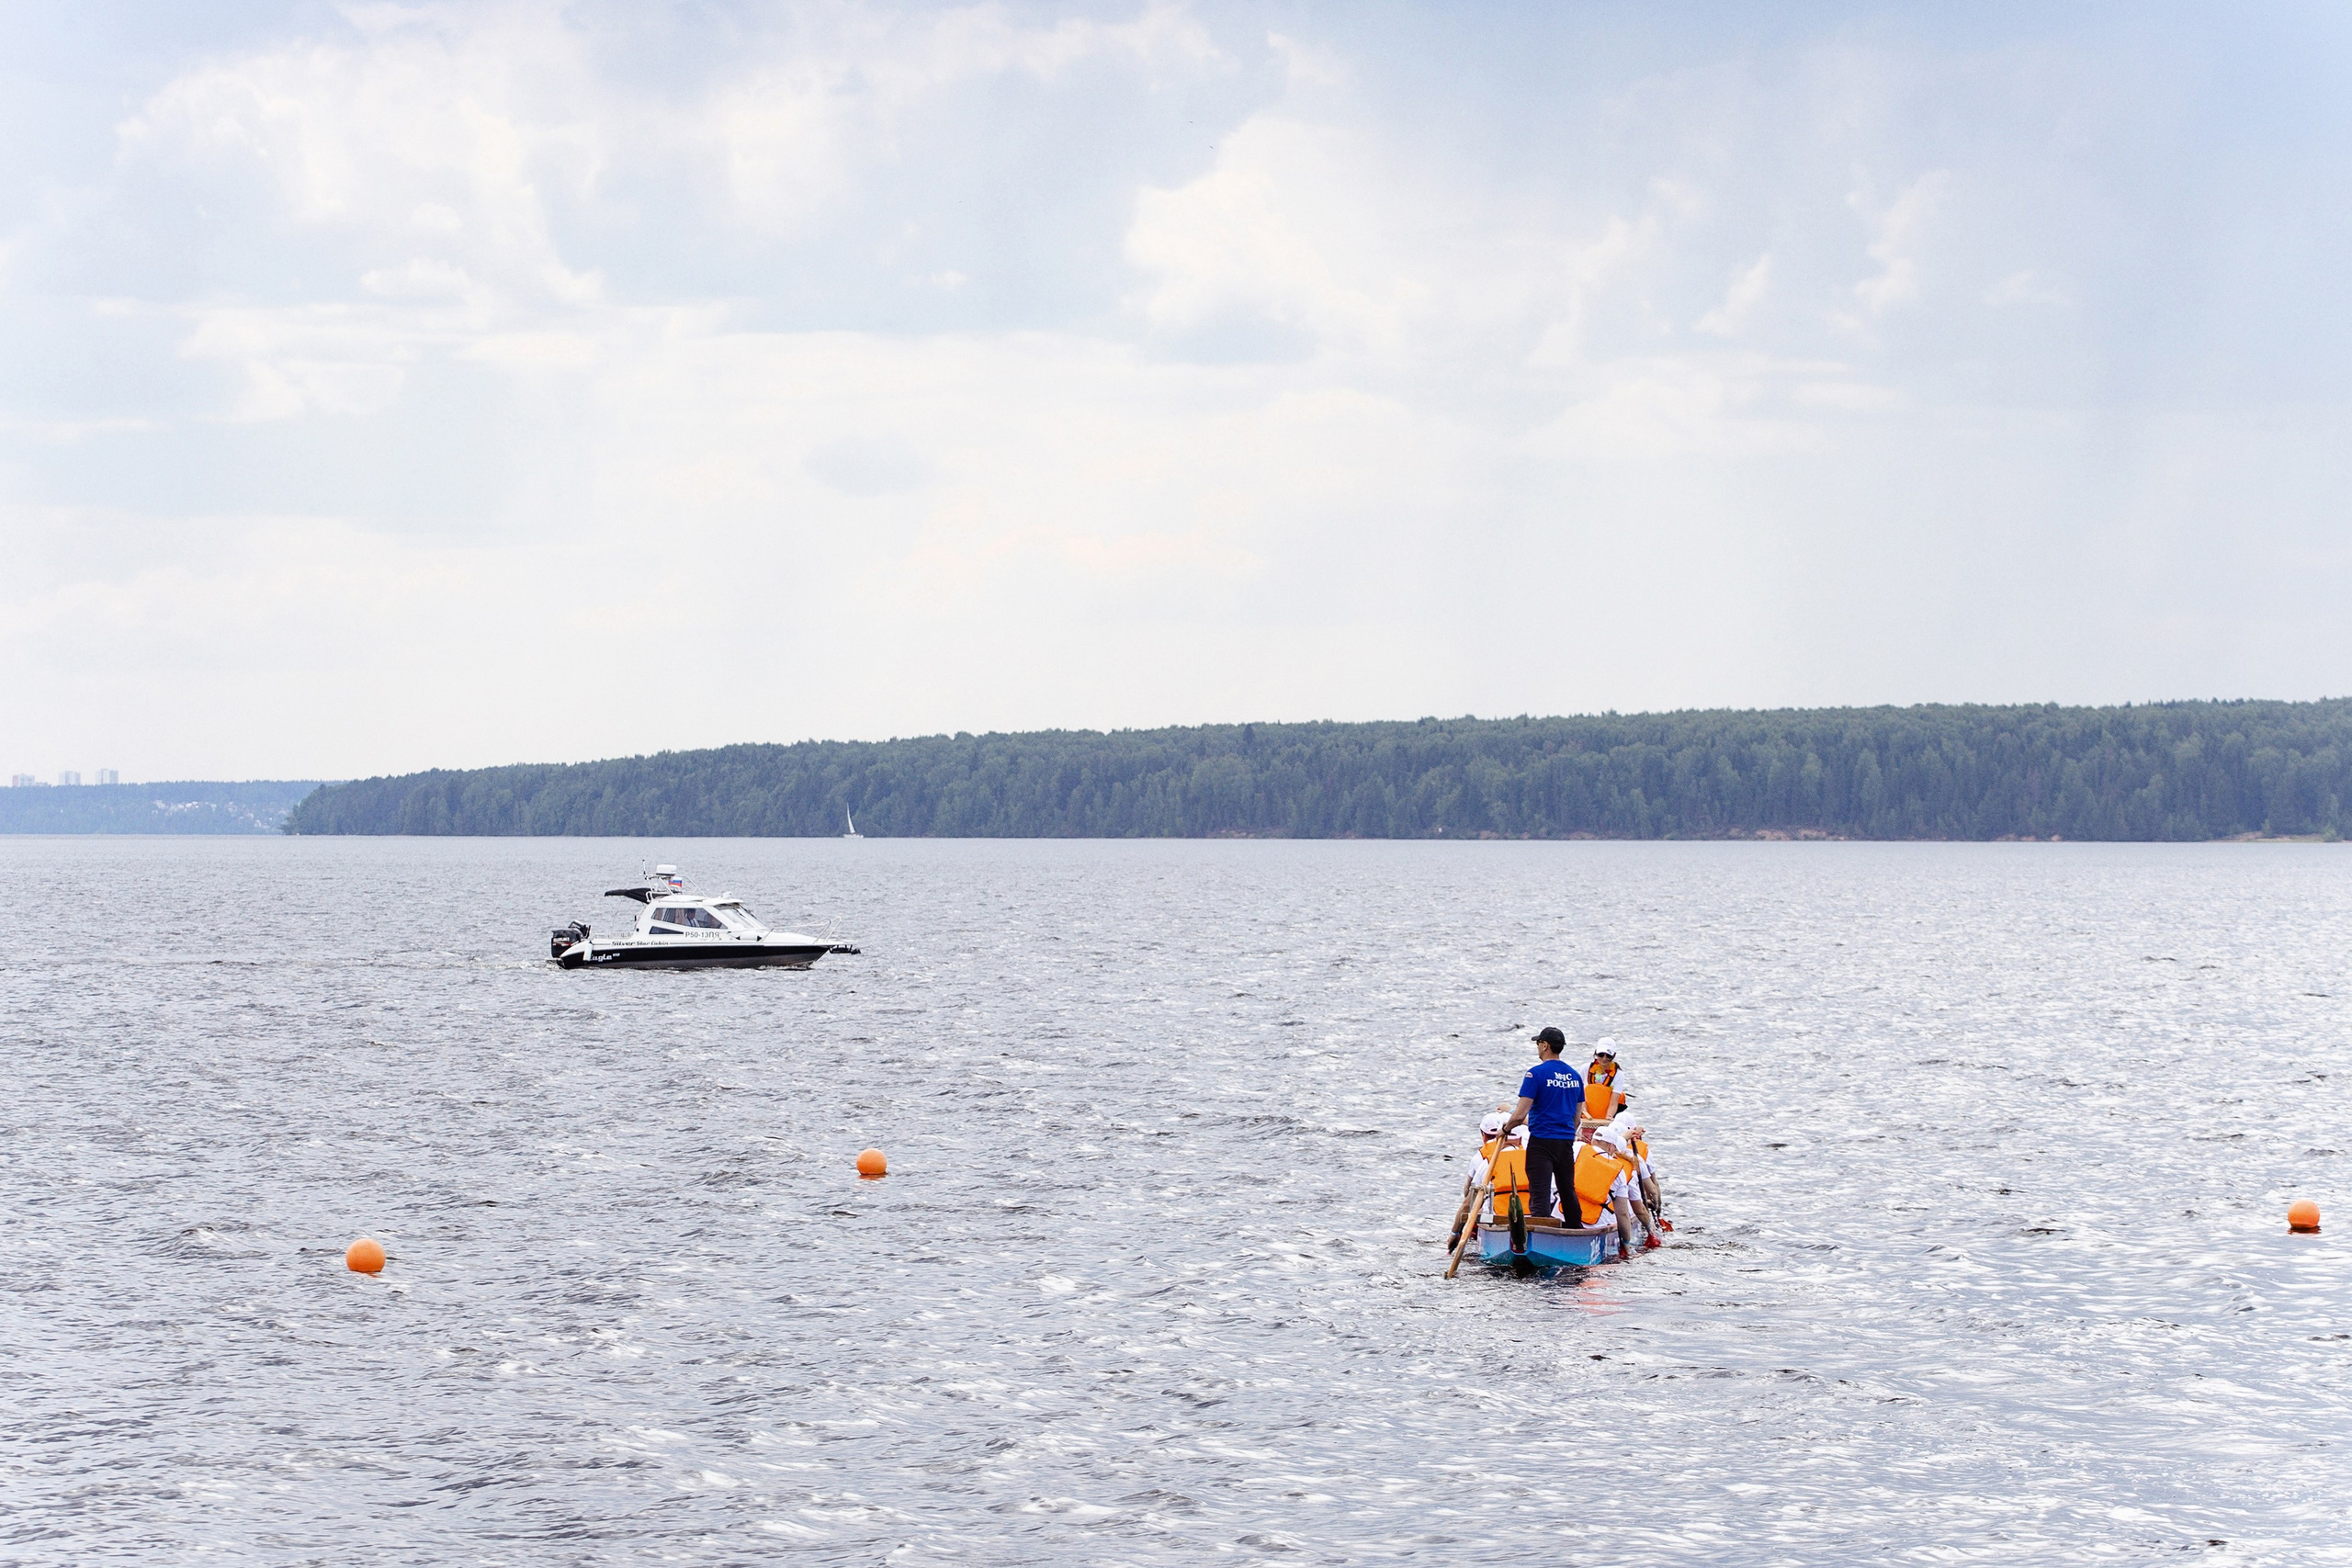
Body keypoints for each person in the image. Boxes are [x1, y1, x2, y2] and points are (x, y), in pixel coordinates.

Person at [1499, 1026, 1585, 1231]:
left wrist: (1505, 1129)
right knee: (1567, 1190)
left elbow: (1519, 1115)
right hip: (1565, 1142)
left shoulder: (1535, 1074)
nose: (1538, 1048)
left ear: (1545, 1046)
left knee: (1540, 1192)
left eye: (1538, 1044)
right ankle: (1575, 1232)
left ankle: (1540, 1235)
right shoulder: (1575, 1076)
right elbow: (1577, 1118)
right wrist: (1565, 1133)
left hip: (1541, 1143)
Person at [1581, 1039, 1624, 1131]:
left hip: (1606, 1114)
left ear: (1614, 1056)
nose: (1604, 1058)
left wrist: (1608, 1118)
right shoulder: (1585, 1068)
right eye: (1601, 1055)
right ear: (1596, 1053)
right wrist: (1584, 1111)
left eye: (1608, 1056)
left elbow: (1614, 1102)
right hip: (1586, 1113)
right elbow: (1579, 1093)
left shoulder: (1619, 1074)